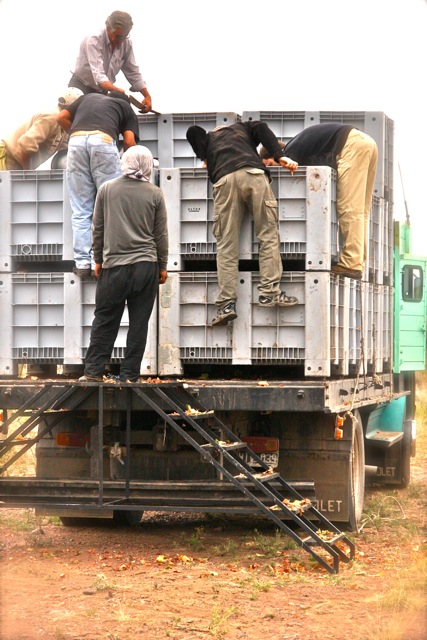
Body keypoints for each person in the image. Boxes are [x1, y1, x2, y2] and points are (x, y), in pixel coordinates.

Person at [186, 121, 299, 327]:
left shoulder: (210, 138)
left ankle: (226, 305)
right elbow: (262, 127)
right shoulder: (243, 128)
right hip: (253, 175)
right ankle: (269, 293)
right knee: (268, 235)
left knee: (227, 246)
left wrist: (205, 157)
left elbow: (192, 131)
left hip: (224, 179)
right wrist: (279, 155)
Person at [79, 145, 168, 383]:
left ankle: (93, 372)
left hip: (113, 267)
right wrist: (163, 266)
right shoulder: (155, 193)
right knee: (139, 324)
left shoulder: (106, 190)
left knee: (105, 320)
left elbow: (97, 228)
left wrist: (97, 259)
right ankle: (129, 375)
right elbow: (161, 234)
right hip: (145, 267)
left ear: (124, 162)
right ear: (148, 164)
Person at [260, 123, 378, 280]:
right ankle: (357, 261)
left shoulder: (291, 154)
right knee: (360, 211)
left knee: (349, 208)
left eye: (270, 165)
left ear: (274, 157)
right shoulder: (297, 146)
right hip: (364, 143)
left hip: (351, 146)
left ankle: (351, 263)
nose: (276, 170)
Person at [56, 91, 140, 276]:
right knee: (108, 206)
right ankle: (99, 262)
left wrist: (79, 137)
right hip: (103, 141)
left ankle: (82, 265)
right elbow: (128, 142)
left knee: (81, 208)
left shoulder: (88, 97)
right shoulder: (125, 107)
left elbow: (61, 117)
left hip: (76, 141)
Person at [69, 10, 152, 113]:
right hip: (80, 88)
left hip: (102, 92)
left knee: (100, 123)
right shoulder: (94, 39)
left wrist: (147, 96)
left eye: (123, 37)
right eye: (117, 36)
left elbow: (133, 72)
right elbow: (99, 77)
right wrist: (118, 91)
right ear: (107, 26)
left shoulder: (127, 44)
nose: (119, 41)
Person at [0, 88, 83, 170]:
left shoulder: (63, 121)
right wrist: (27, 172)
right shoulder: (51, 117)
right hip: (9, 159)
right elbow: (26, 145)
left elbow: (64, 150)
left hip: (18, 162)